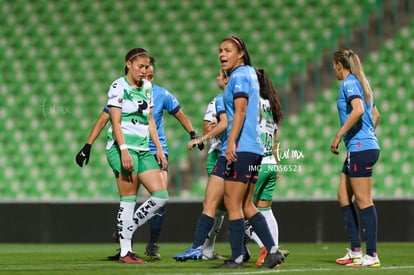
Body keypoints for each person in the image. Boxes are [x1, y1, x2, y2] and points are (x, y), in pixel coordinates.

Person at [75, 55, 200, 260]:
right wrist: (92, 146)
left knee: (161, 197)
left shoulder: (152, 90)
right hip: (124, 148)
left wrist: (160, 148)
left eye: (147, 69)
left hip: (145, 150)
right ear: (129, 65)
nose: (144, 72)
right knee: (129, 198)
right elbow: (110, 121)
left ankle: (129, 233)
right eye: (141, 68)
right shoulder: (118, 87)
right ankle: (126, 250)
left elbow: (152, 120)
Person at [211, 36, 284, 269]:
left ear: (240, 53)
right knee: (247, 205)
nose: (222, 54)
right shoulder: (251, 74)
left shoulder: (240, 75)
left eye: (228, 50)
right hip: (255, 149)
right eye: (221, 50)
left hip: (242, 148)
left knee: (233, 203)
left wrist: (231, 142)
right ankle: (273, 251)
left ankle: (238, 258)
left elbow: (240, 111)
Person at [330, 48, 381, 267]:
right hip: (361, 146)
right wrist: (367, 135)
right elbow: (375, 114)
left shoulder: (349, 83)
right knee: (343, 196)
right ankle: (355, 250)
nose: (333, 69)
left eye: (333, 65)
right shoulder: (363, 84)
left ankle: (372, 255)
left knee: (363, 200)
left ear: (339, 65)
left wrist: (340, 135)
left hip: (360, 147)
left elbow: (358, 110)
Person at [173, 69, 229, 262]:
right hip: (227, 154)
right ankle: (208, 248)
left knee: (220, 204)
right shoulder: (226, 101)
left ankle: (199, 247)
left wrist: (219, 127)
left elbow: (211, 128)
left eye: (219, 75)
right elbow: (209, 127)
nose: (216, 77)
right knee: (223, 206)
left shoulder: (223, 101)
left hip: (224, 154)